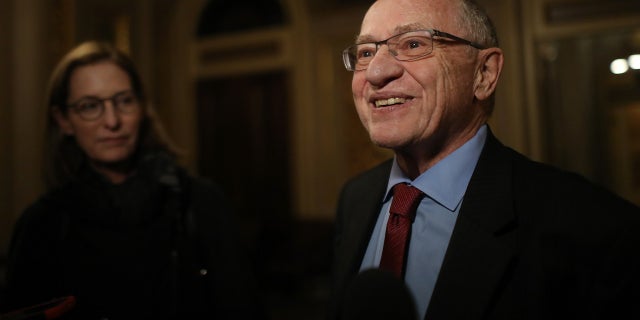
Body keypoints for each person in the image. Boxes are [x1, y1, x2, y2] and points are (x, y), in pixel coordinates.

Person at [330, 0, 640, 319]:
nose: (377, 73)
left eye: (413, 44)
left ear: (484, 73)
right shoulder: (356, 199)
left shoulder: (596, 230)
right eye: (366, 52)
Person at [1, 41, 264, 319]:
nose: (112, 121)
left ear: (142, 107)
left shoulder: (200, 202)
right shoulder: (42, 225)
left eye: (124, 101)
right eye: (90, 106)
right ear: (64, 120)